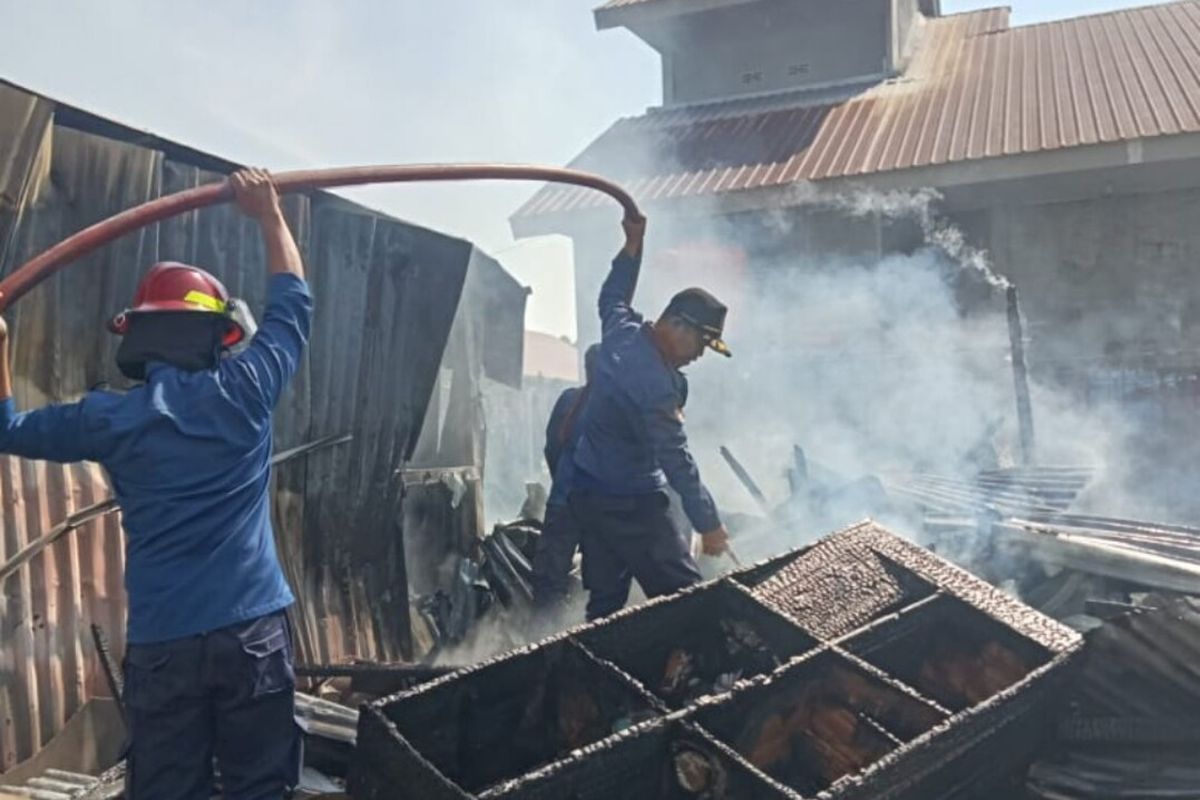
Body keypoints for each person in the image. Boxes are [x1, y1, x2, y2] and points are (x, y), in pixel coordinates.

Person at [0, 169, 312, 799]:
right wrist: (269, 215)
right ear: (215, 336)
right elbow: (292, 305)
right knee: (262, 786)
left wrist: (1, 344)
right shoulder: (247, 390)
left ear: (140, 336)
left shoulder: (110, 418)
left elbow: (9, 429)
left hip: (165, 643)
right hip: (250, 633)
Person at [569, 215, 732, 621]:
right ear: (676, 325)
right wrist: (708, 525)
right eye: (701, 342)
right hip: (632, 504)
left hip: (589, 493)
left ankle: (594, 677)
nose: (698, 355)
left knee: (605, 607)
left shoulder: (621, 331)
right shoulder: (656, 386)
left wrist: (632, 245)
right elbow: (676, 459)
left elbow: (612, 295)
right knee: (687, 603)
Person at [531, 343, 600, 609]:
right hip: (599, 506)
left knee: (549, 579)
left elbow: (552, 447)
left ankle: (544, 636)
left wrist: (562, 479)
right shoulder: (618, 406)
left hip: (565, 500)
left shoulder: (570, 399)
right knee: (599, 581)